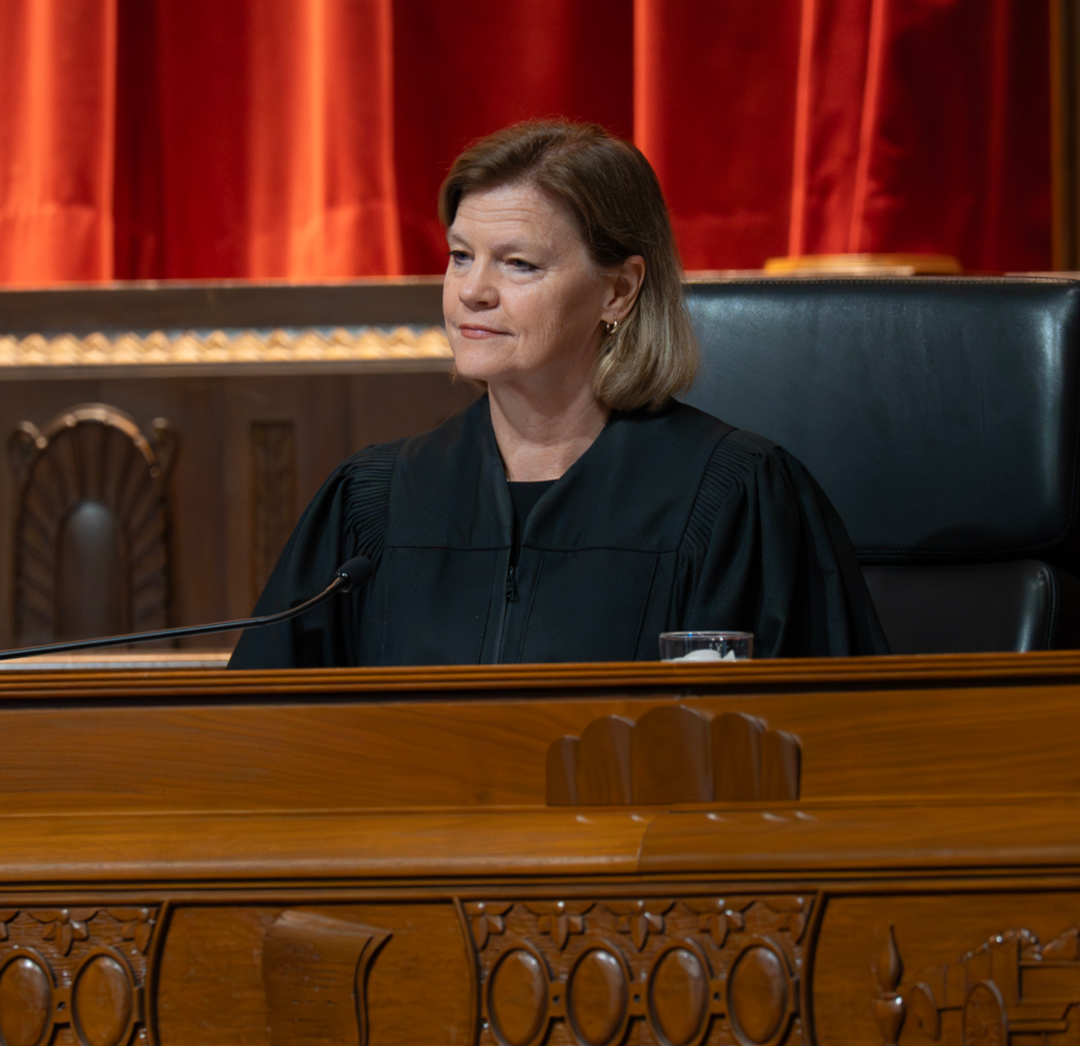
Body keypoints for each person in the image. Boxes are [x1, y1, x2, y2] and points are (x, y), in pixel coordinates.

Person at [229, 120, 887, 668]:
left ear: (619, 291)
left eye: (519, 264)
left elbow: (827, 746)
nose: (472, 292)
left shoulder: (737, 500)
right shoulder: (374, 505)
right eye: (461, 256)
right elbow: (262, 741)